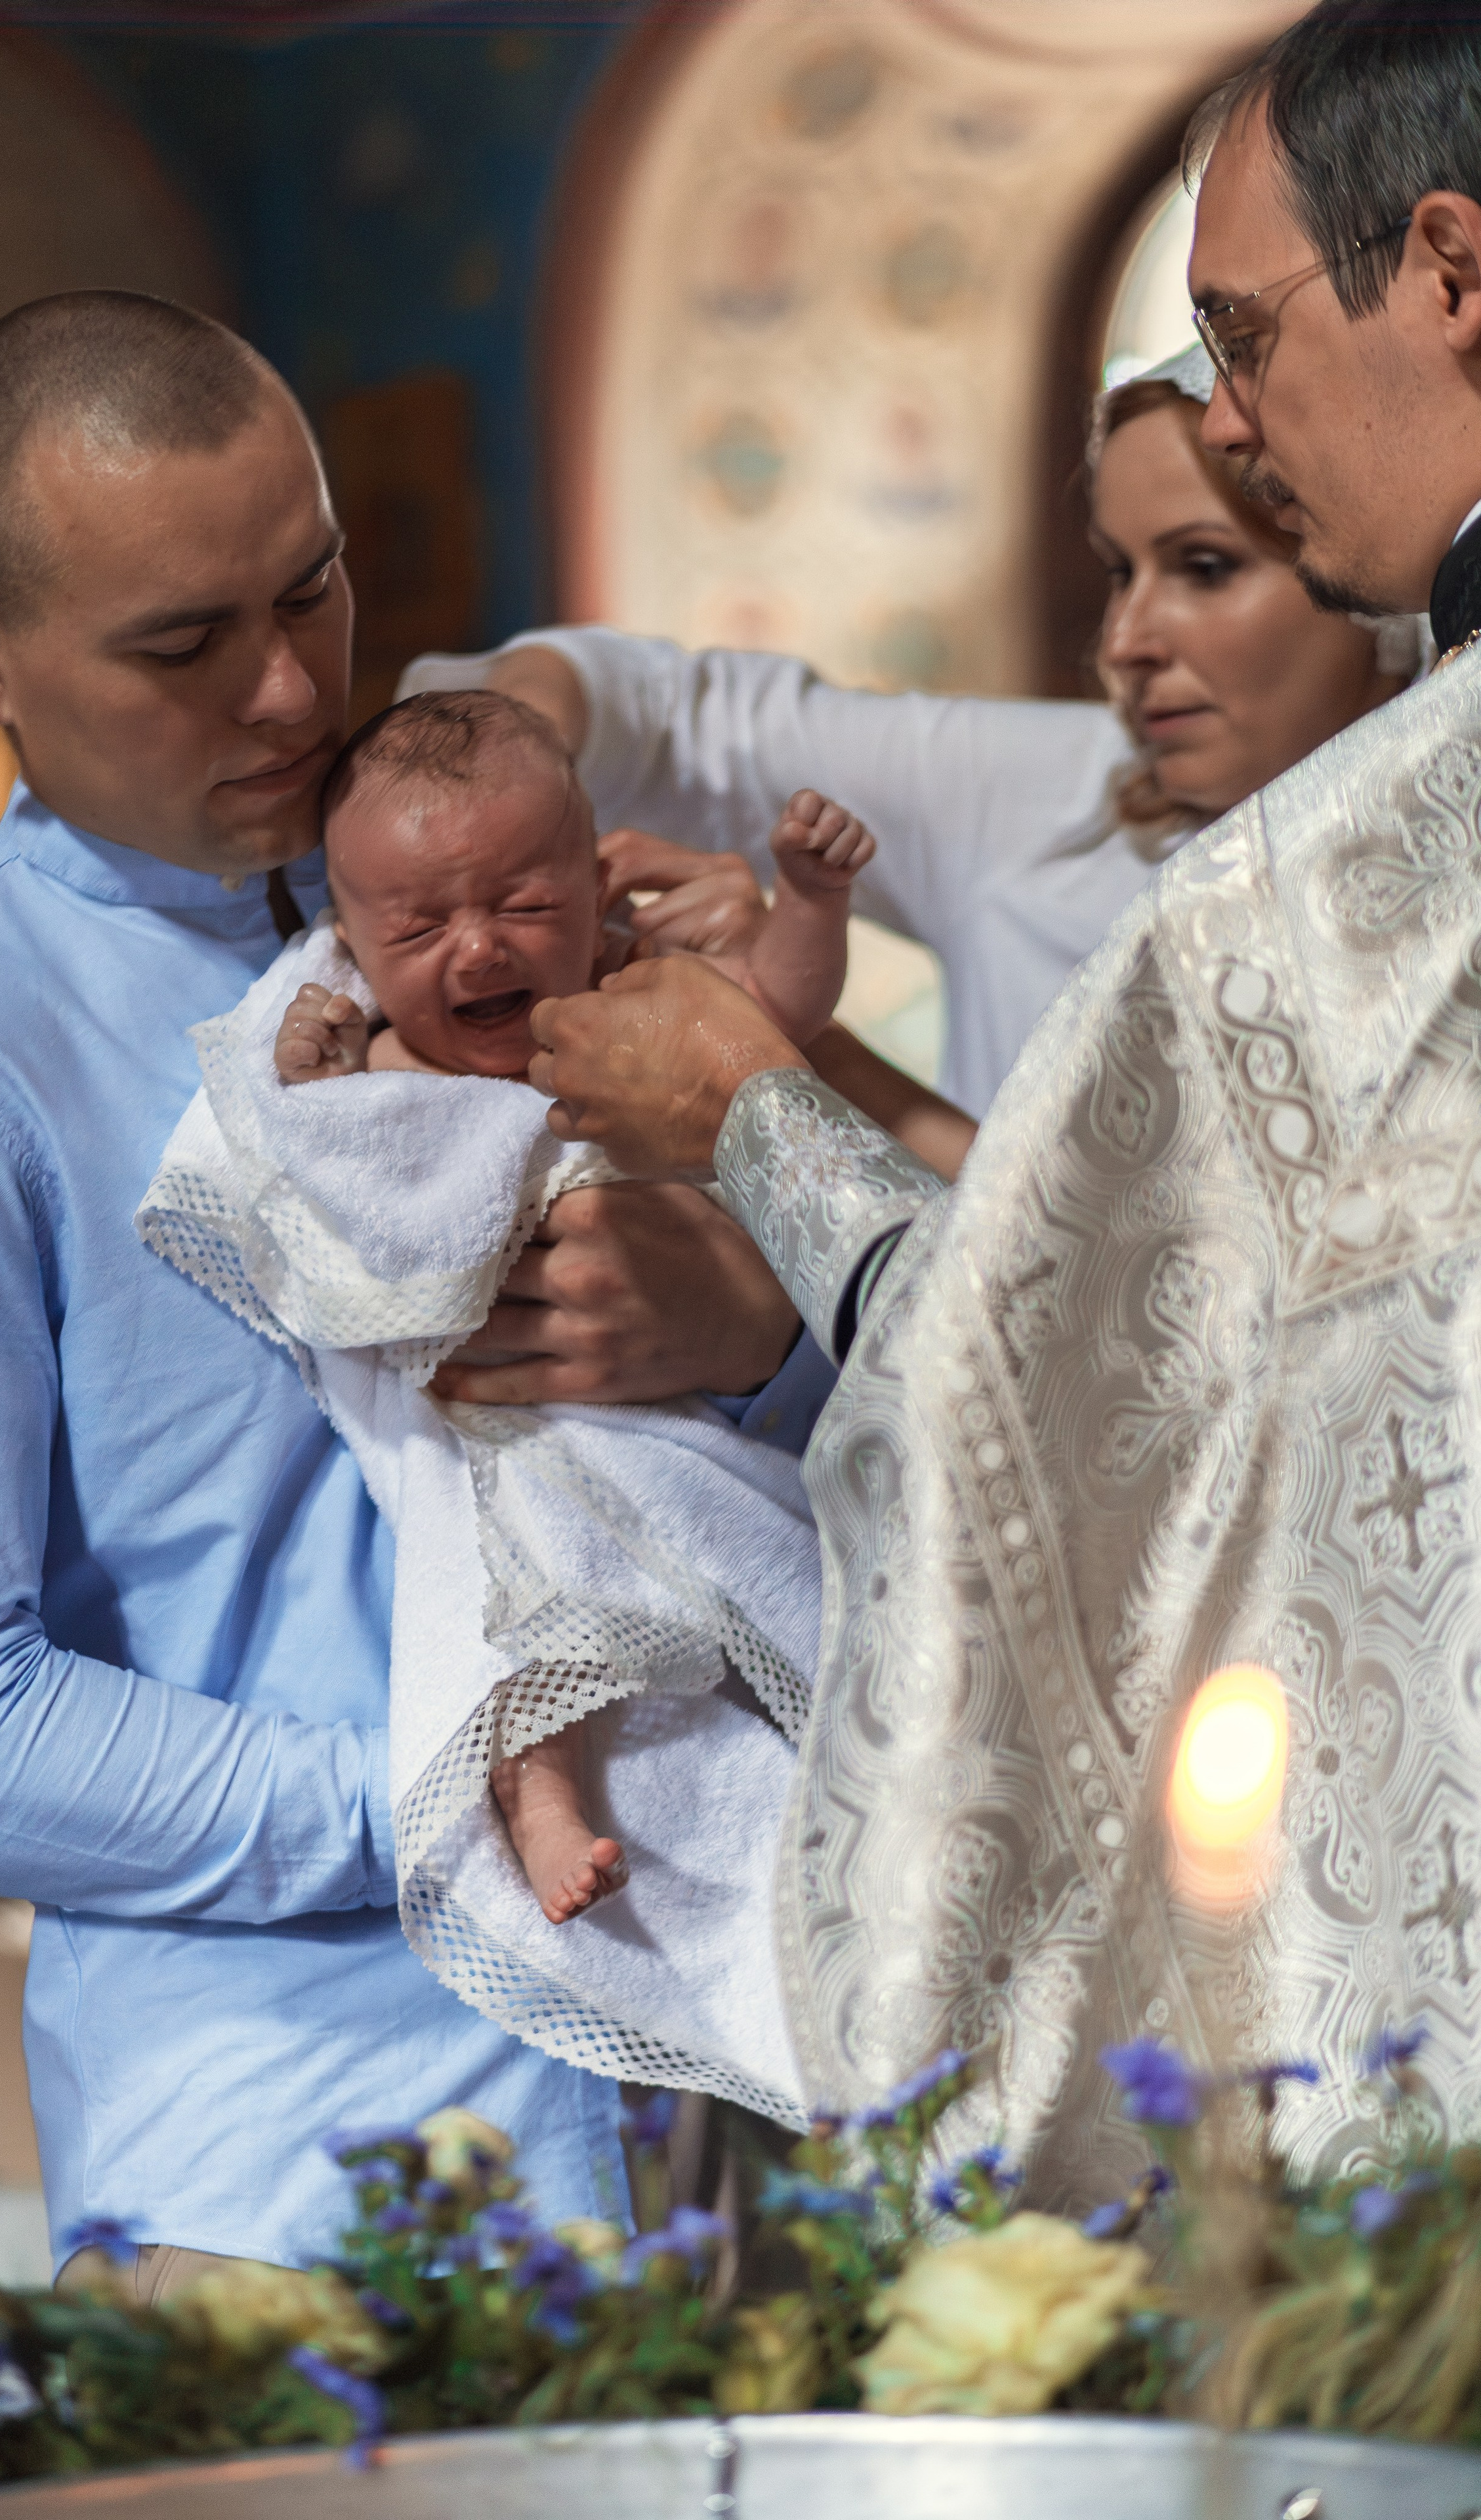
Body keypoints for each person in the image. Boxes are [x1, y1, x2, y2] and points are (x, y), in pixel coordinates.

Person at [511, 0, 1481, 2202]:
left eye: (1246, 334)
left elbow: (1051, 1425)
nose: (1232, 416)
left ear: (1449, 271)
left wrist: (755, 1113)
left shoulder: (1332, 897)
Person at [0, 293, 827, 2293]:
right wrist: (448, 1787)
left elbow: (775, 1439)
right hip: (304, 2178)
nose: (289, 691)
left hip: (723, 2087)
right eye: (184, 644)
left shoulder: (504, 880)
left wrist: (755, 1337)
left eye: (315, 588)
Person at [135, 690, 868, 2120]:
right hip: (501, 1418)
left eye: (522, 903)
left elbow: (777, 1020)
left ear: (594, 885)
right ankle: (539, 1792)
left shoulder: (637, 997)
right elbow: (326, 1181)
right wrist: (314, 1086)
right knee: (521, 1565)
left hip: (674, 1416)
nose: (476, 948)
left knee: (816, 1597)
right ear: (350, 939)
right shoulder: (374, 1048)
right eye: (418, 927)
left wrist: (813, 902)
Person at [404, 346, 1414, 1199]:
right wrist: (490, 782)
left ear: (1364, 568)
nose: (1127, 640)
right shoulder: (1052, 788)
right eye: (1119, 571)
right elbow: (679, 722)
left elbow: (1128, 1282)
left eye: (1204, 566)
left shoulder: (1438, 898)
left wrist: (776, 1049)